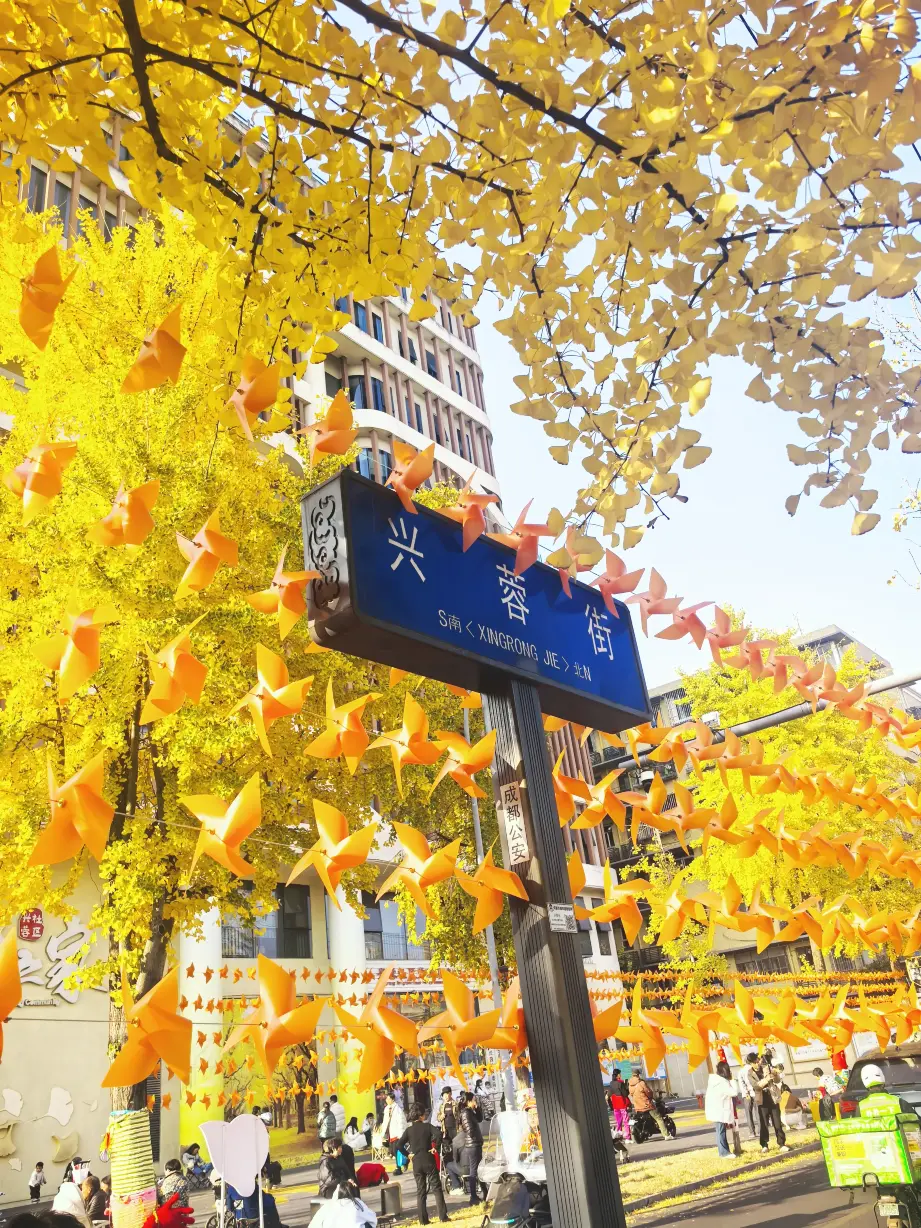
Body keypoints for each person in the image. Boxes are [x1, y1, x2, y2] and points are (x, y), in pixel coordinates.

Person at [396, 1102, 450, 1225]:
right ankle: (443, 1216)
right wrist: (435, 1147)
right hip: (428, 1159)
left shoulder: (409, 1130)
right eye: (424, 1113)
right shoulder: (427, 1127)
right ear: (420, 1116)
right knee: (436, 1188)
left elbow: (399, 1145)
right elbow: (438, 1134)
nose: (425, 1115)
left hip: (416, 1161)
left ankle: (423, 1220)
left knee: (421, 1191)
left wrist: (408, 1154)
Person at [753, 1057, 789, 1153]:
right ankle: (764, 1145)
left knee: (777, 1122)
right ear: (752, 1063)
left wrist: (775, 1075)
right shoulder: (750, 1073)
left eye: (759, 1061)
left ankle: (782, 1143)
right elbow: (756, 1086)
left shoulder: (767, 1068)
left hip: (772, 1097)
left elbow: (777, 1081)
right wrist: (766, 1079)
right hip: (761, 1100)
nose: (758, 1063)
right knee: (764, 1124)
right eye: (756, 1062)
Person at [704, 1061, 738, 1160]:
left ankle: (724, 1151)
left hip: (716, 1109)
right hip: (719, 1110)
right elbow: (734, 1092)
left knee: (720, 1130)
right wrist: (733, 1081)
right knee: (720, 1131)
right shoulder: (722, 1082)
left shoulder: (714, 1080)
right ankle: (724, 1153)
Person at [456, 1091, 484, 1206]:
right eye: (473, 1100)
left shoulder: (470, 1111)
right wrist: (475, 1137)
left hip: (476, 1144)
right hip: (472, 1145)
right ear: (468, 1101)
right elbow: (469, 1129)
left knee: (479, 1169)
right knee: (474, 1171)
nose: (475, 1102)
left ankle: (483, 1192)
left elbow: (480, 1119)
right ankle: (473, 1196)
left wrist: (478, 1108)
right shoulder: (465, 1113)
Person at [628, 1072, 668, 1138]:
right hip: (647, 1105)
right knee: (658, 1118)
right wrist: (651, 1097)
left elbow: (631, 1094)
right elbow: (648, 1092)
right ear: (638, 1075)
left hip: (637, 1106)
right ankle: (666, 1135)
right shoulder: (641, 1083)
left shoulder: (630, 1085)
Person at [380, 1092, 407, 1175]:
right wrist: (383, 1133)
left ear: (392, 1099)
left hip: (396, 1132)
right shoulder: (386, 1109)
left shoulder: (397, 1109)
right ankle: (406, 1159)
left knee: (396, 1150)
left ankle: (398, 1168)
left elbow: (401, 1121)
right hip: (390, 1133)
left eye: (388, 1098)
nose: (387, 1100)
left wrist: (401, 1134)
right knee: (392, 1151)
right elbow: (385, 1121)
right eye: (386, 1099)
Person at [736, 1053, 759, 1139]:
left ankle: (752, 1132)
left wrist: (745, 1093)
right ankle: (760, 1131)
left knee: (748, 1113)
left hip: (746, 1095)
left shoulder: (741, 1071)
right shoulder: (754, 1069)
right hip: (755, 1092)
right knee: (758, 1112)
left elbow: (741, 1083)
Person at [609, 1074, 632, 1142]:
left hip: (615, 1106)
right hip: (622, 1104)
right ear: (617, 1076)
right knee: (626, 1121)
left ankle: (619, 1136)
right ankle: (627, 1137)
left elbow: (609, 1095)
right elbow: (625, 1094)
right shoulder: (621, 1083)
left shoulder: (611, 1084)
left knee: (618, 1121)